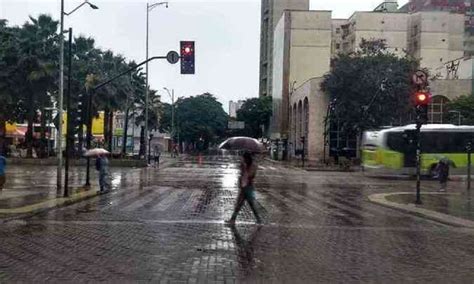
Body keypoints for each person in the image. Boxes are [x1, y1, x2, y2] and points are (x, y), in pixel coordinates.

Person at [226, 152, 262, 225]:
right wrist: (242, 167)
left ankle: (259, 220)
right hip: (243, 187)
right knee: (239, 204)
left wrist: (245, 168)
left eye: (244, 158)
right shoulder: (244, 165)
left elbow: (250, 175)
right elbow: (242, 174)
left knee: (251, 205)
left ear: (247, 158)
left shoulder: (253, 166)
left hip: (248, 187)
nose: (243, 159)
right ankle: (232, 219)